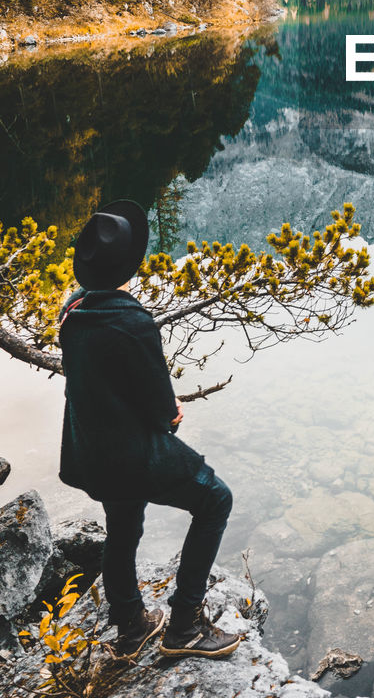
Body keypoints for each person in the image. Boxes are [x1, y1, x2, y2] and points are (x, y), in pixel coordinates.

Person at [58, 199, 241, 662]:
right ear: (130, 266)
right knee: (216, 499)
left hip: (92, 450)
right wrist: (173, 412)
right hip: (130, 451)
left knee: (122, 527)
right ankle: (183, 625)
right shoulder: (132, 322)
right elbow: (162, 411)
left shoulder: (73, 312)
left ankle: (131, 626)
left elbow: (102, 383)